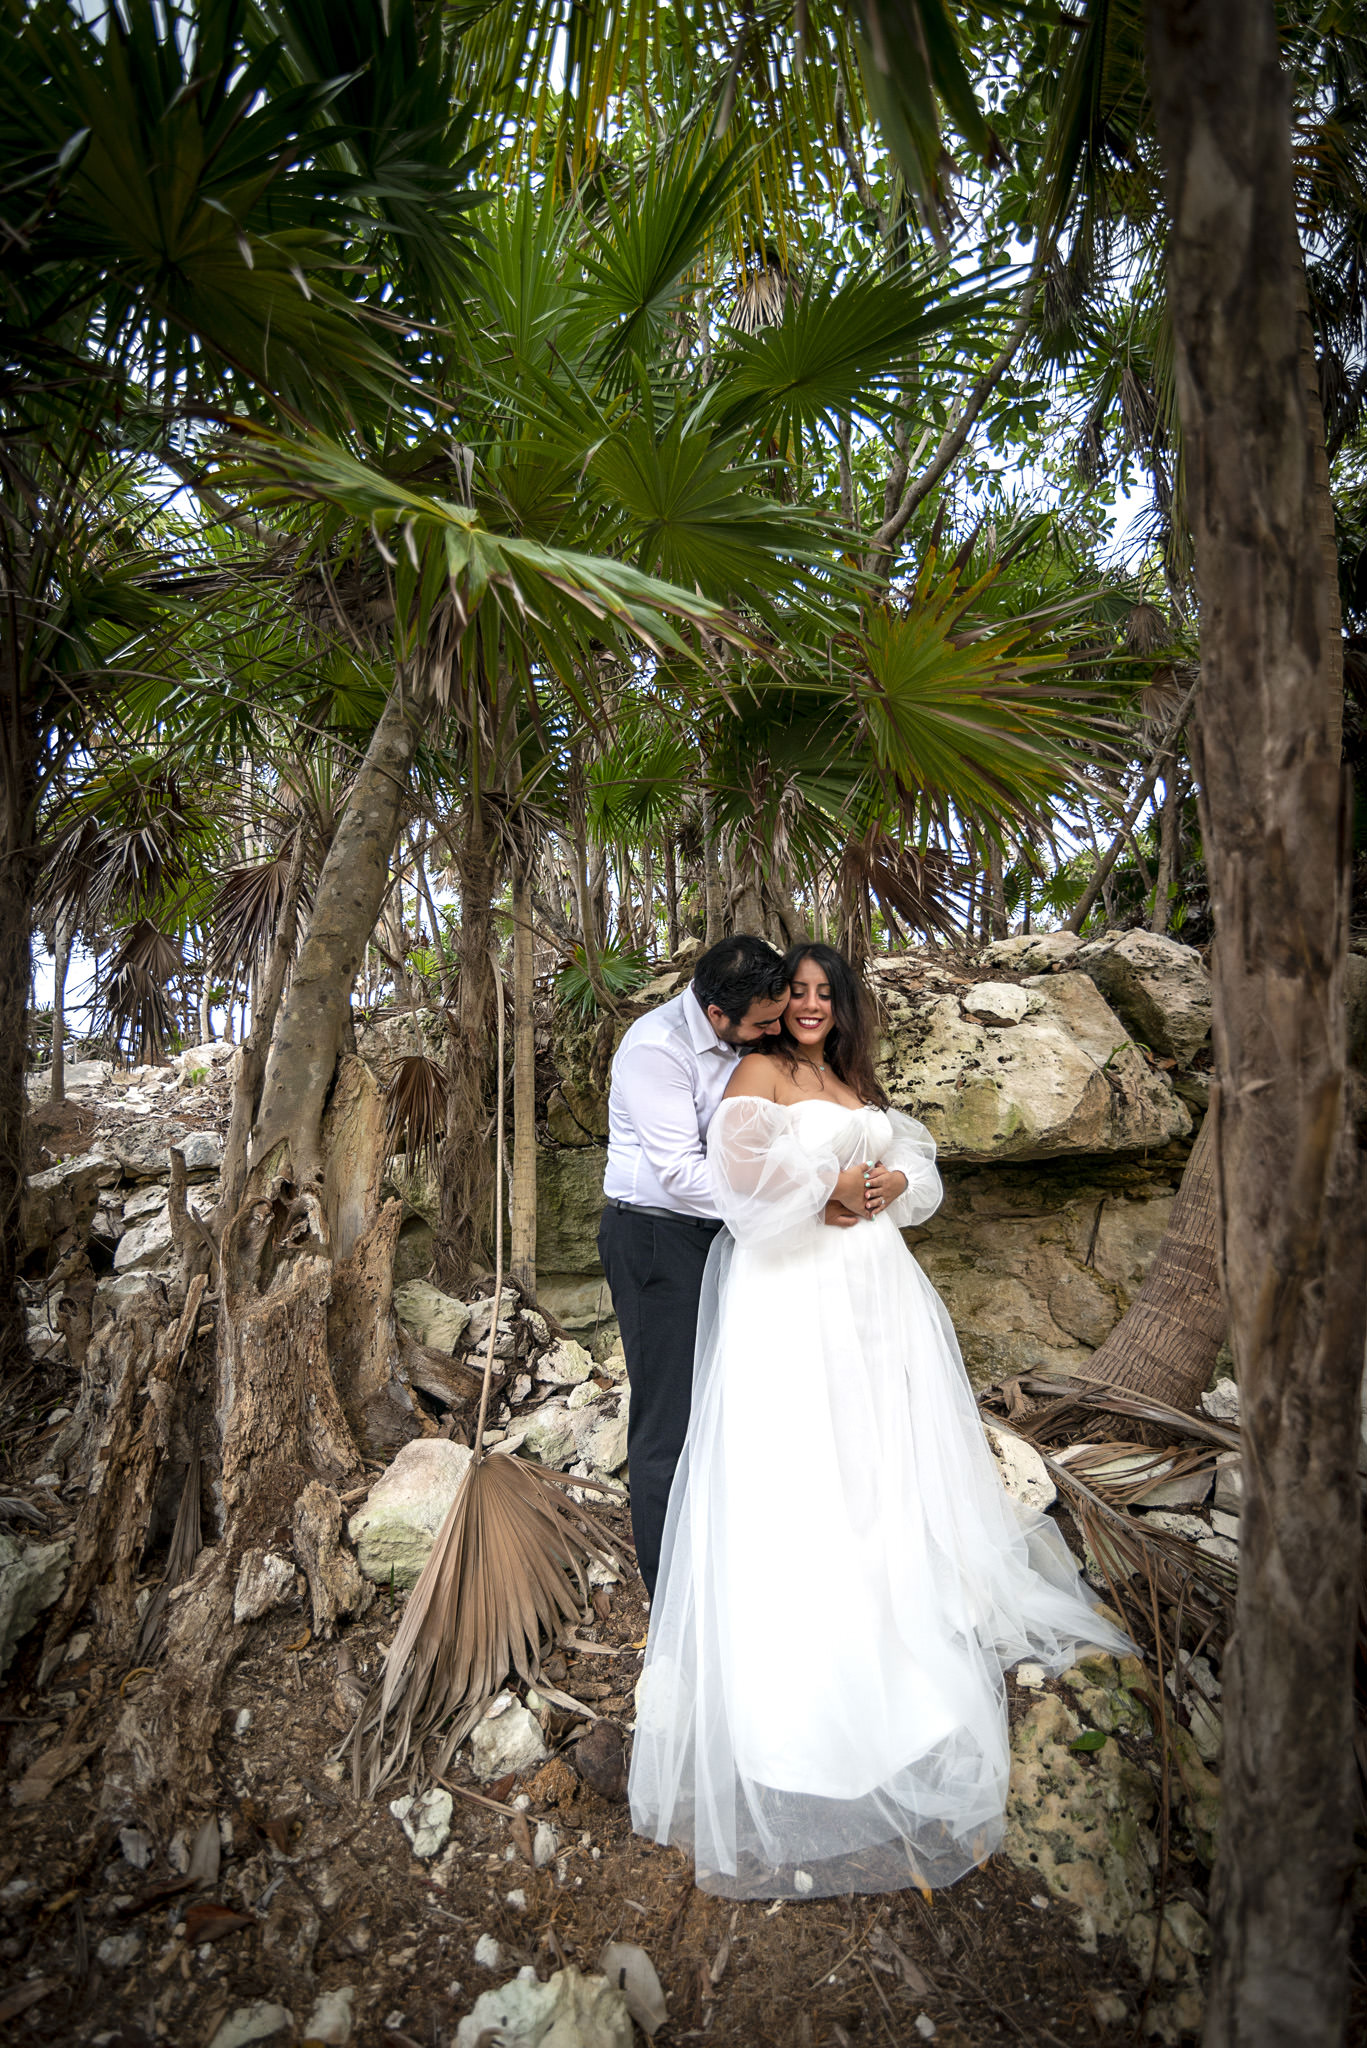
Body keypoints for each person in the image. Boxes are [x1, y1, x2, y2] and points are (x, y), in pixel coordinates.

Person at [629, 941, 1134, 1900]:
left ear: (843, 1005)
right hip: (792, 1294)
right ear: (776, 1005)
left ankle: (900, 1623)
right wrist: (821, 1188)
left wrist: (892, 1182)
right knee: (806, 1465)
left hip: (874, 1296)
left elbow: (913, 1163)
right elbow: (733, 1181)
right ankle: (806, 1693)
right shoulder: (760, 1069)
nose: (809, 1005)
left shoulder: (848, 1080)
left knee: (877, 1460)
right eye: (798, 993)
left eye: (825, 992)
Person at [597, 935, 791, 1599]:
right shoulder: (655, 1050)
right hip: (655, 1239)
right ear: (716, 1015)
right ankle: (671, 1594)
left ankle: (725, 1564)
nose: (773, 1032)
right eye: (762, 1024)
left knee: (731, 1405)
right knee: (669, 1422)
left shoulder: (752, 1037)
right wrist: (795, 1194)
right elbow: (680, 1174)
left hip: (727, 1236)